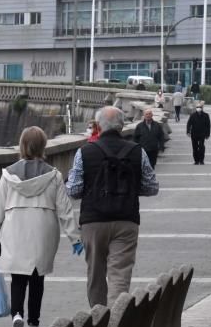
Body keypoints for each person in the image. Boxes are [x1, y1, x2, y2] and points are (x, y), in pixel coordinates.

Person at [0, 127, 82, 327]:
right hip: (43, 227)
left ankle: (16, 316)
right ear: (43, 146)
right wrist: (75, 238)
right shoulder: (54, 175)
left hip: (15, 227)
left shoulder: (7, 175)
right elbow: (65, 209)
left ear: (22, 145)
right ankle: (33, 323)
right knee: (37, 276)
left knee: (18, 276)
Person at [66, 106, 159, 307]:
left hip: (93, 221)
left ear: (98, 126)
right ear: (122, 125)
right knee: (120, 274)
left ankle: (98, 318)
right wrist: (131, 189)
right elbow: (152, 187)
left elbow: (73, 190)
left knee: (95, 273)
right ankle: (116, 322)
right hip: (126, 220)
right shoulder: (138, 151)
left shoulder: (84, 152)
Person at [187, 100, 211, 165]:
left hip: (202, 134)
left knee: (201, 147)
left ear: (202, 108)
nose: (199, 108)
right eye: (197, 107)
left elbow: (208, 125)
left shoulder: (206, 115)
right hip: (194, 134)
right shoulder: (192, 115)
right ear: (196, 108)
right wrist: (188, 131)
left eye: (200, 107)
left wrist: (208, 134)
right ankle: (196, 160)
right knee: (195, 148)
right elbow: (189, 124)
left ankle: (201, 160)